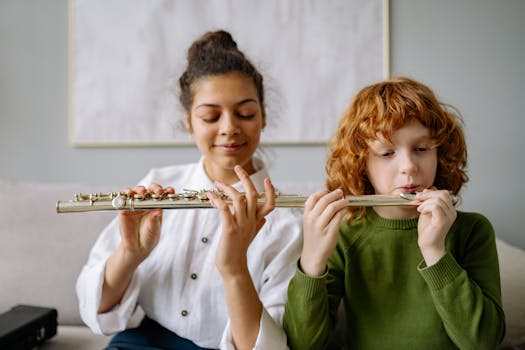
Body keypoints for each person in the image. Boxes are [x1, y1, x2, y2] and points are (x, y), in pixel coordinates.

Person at [76, 30, 303, 350]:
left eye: (245, 113)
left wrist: (234, 266)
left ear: (263, 116)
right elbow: (96, 310)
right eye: (211, 116)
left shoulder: (287, 222)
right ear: (188, 122)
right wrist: (130, 254)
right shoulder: (157, 184)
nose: (229, 128)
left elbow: (269, 345)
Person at [283, 77, 505, 349]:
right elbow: (302, 344)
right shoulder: (345, 234)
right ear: (360, 164)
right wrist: (312, 260)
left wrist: (435, 251)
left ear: (440, 154)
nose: (409, 167)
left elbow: (483, 342)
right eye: (387, 153)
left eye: (421, 149)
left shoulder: (473, 231)